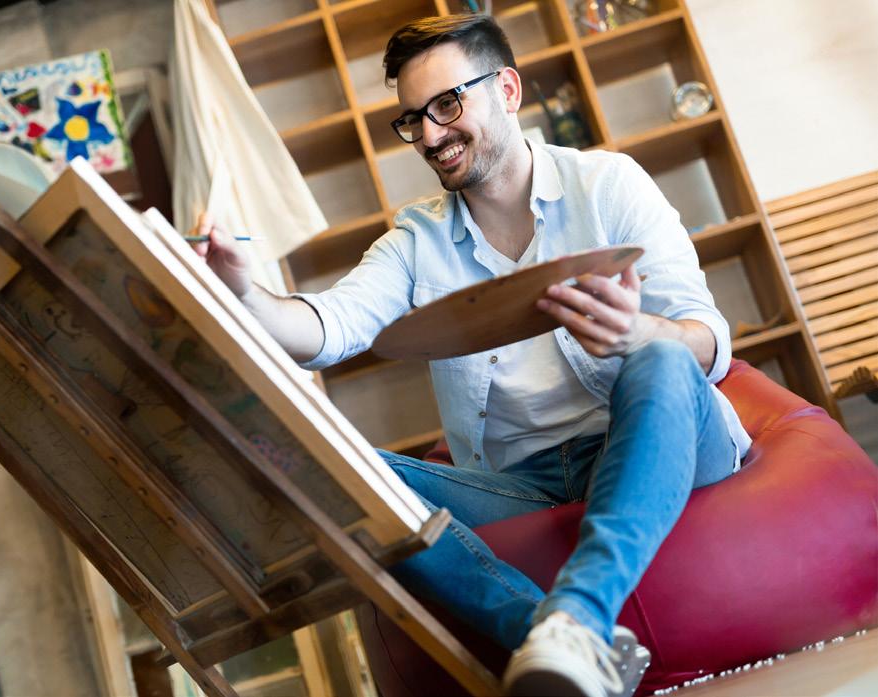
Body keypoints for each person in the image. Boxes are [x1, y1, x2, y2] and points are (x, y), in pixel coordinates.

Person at [192, 14, 751, 697]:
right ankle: (552, 636)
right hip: (521, 488)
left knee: (661, 356)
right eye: (411, 120)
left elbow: (707, 339)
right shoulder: (415, 242)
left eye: (447, 105)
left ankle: (578, 618)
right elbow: (327, 328)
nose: (430, 136)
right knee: (330, 464)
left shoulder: (607, 184)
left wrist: (641, 333)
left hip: (654, 441)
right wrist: (243, 291)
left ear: (507, 90)